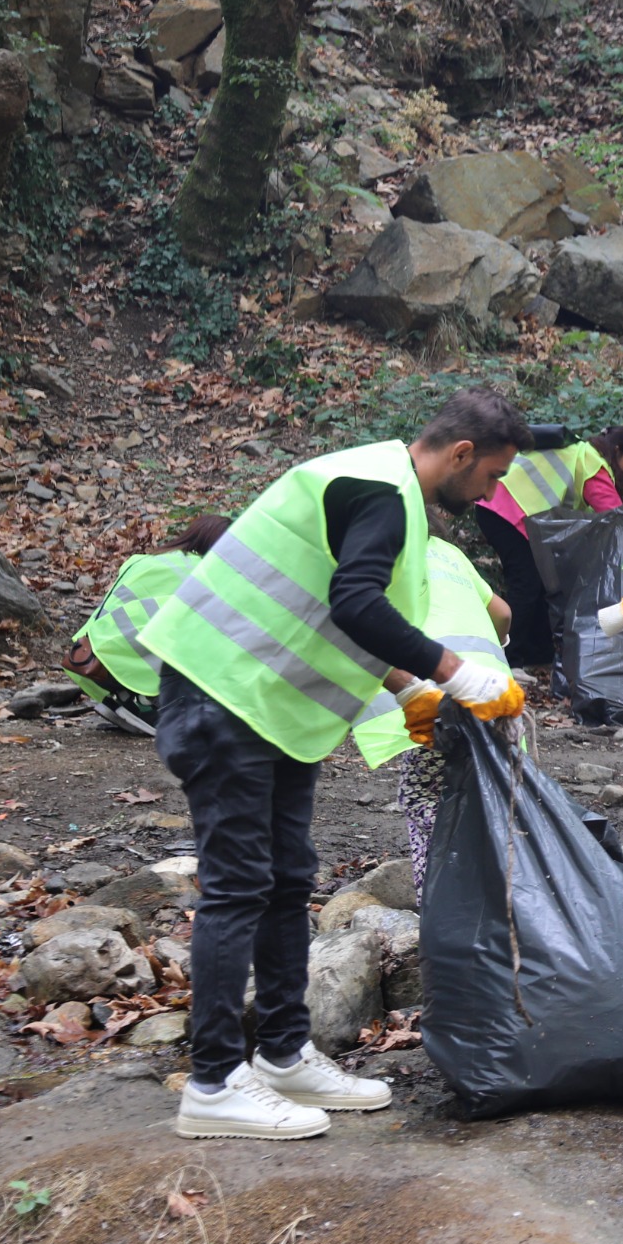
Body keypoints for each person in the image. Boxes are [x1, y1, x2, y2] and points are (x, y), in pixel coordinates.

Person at [137, 388, 532, 1140]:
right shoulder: (382, 493)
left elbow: (325, 606)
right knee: (238, 887)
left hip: (262, 707)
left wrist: (406, 685)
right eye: (491, 476)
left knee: (287, 878)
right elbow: (356, 603)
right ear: (459, 455)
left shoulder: (383, 492)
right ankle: (215, 1083)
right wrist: (452, 669)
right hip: (222, 694)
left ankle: (283, 1054)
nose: (492, 493)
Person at [345, 536, 515, 905]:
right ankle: (504, 897)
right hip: (493, 693)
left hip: (430, 698)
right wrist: (496, 645)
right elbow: (502, 613)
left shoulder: (372, 547)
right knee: (492, 798)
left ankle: (442, 909)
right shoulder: (449, 552)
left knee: (424, 796)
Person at [474, 428, 623, 671]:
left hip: (498, 503)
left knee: (539, 581)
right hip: (506, 506)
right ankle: (509, 660)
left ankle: (537, 655)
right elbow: (616, 516)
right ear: (618, 452)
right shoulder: (591, 462)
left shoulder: (576, 453)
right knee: (526, 582)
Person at [65, 514, 230, 735]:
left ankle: (127, 698)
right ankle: (148, 702)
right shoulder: (204, 571)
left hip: (88, 650)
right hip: (130, 654)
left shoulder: (145, 560)